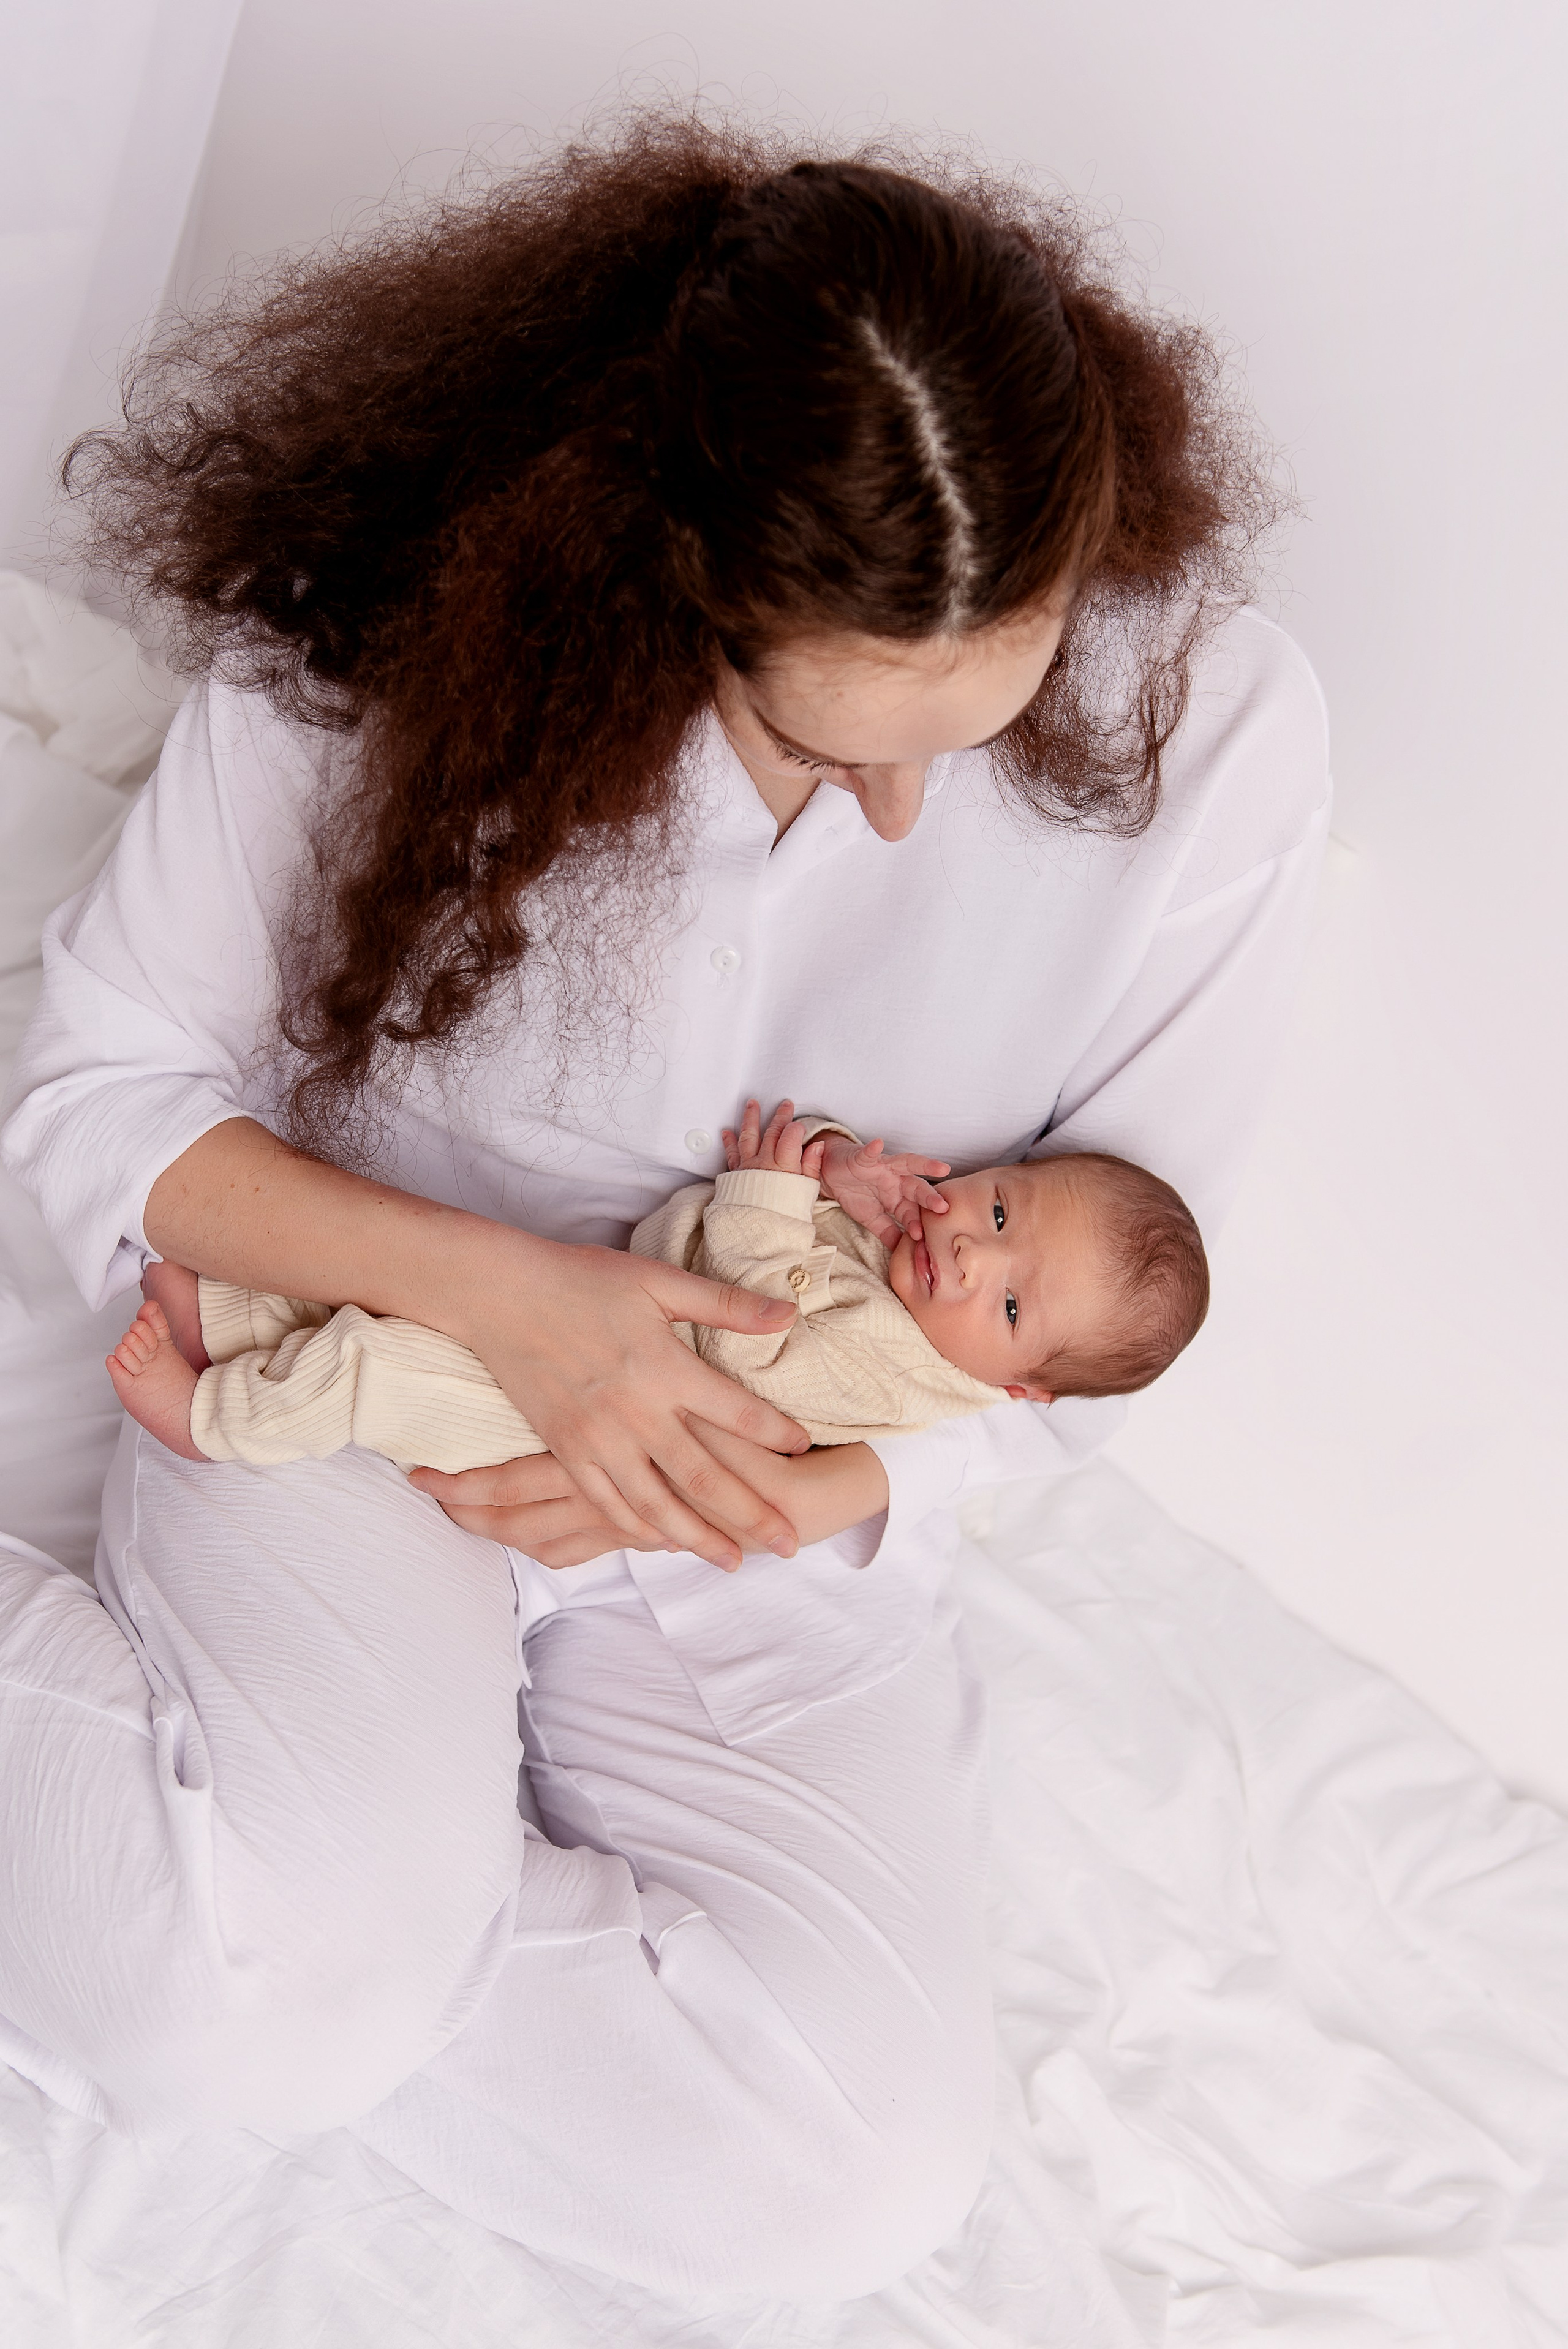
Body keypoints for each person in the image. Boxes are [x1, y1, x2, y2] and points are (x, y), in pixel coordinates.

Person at [0, 122, 1329, 2298]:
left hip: (772, 1491)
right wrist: (526, 1310)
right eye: (831, 742)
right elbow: (106, 1103)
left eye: (965, 730)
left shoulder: (1223, 735)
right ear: (657, 585)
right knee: (235, 1999)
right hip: (381, 1376)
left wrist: (810, 1492)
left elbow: (1093, 1321)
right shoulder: (392, 630)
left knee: (843, 2177)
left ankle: (314, 1910)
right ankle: (292, 1930)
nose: (903, 810)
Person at [105, 1098, 1210, 1469]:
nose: (974, 1254)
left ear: (1018, 1389)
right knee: (408, 1297)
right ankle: (232, 1310)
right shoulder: (917, 1256)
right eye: (1004, 1210)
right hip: (595, 1310)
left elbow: (753, 1341)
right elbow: (811, 1188)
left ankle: (217, 1419)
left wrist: (778, 1192)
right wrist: (834, 1158)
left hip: (586, 1415)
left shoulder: (902, 1374)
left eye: (1012, 1307)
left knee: (379, 1366)